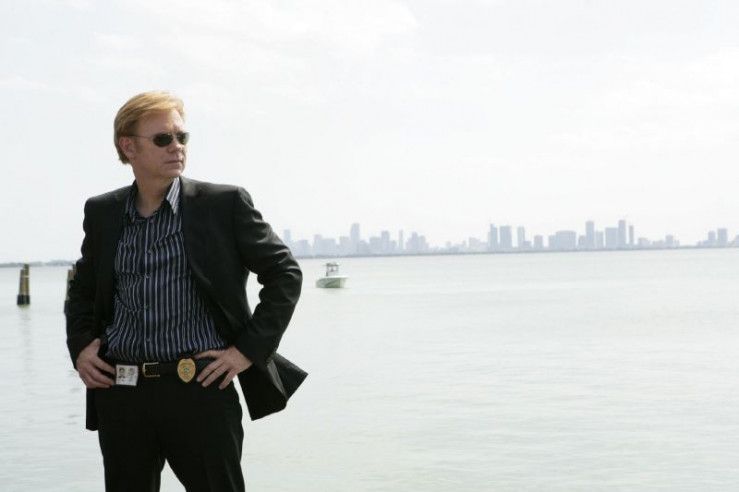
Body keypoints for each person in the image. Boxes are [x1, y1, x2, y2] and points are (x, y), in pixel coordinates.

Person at [65, 90, 305, 491]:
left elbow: (284, 273)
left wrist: (246, 352)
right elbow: (83, 289)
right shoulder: (103, 212)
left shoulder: (223, 204)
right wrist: (80, 348)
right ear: (128, 146)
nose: (176, 147)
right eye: (163, 139)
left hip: (201, 391)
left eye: (182, 137)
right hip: (121, 394)